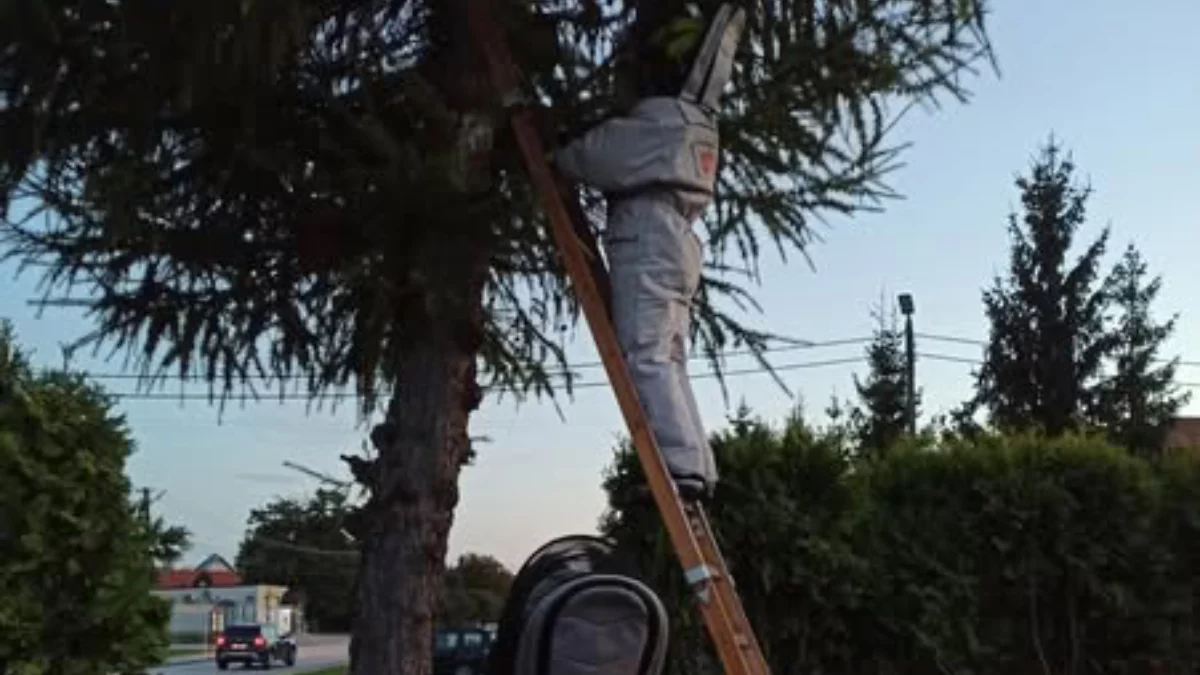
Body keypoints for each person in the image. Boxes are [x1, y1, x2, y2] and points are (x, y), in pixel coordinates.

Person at [552, 5, 747, 501]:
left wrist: (558, 146)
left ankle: (681, 463)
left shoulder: (660, 123)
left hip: (648, 232)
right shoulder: (700, 123)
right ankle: (696, 462)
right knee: (670, 355)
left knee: (646, 352)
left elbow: (593, 155)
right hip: (678, 238)